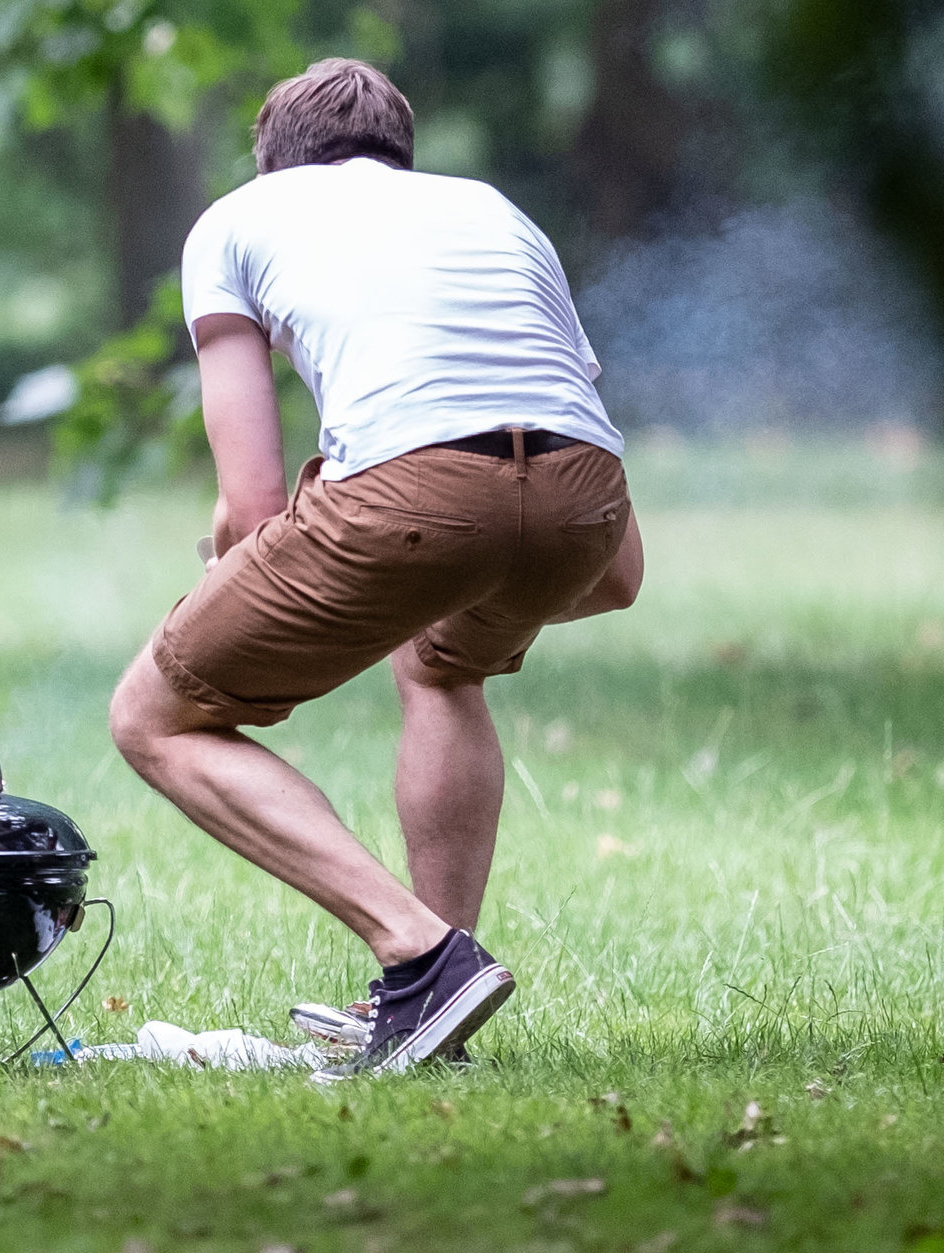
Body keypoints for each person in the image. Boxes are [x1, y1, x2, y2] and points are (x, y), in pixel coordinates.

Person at [107, 58, 643, 1081]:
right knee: (441, 661)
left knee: (153, 719)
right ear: (401, 155)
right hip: (585, 501)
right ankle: (436, 1009)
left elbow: (252, 503)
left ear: (273, 163)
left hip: (411, 493)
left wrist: (241, 588)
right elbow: (619, 575)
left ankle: (422, 955)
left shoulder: (236, 220)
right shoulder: (495, 212)